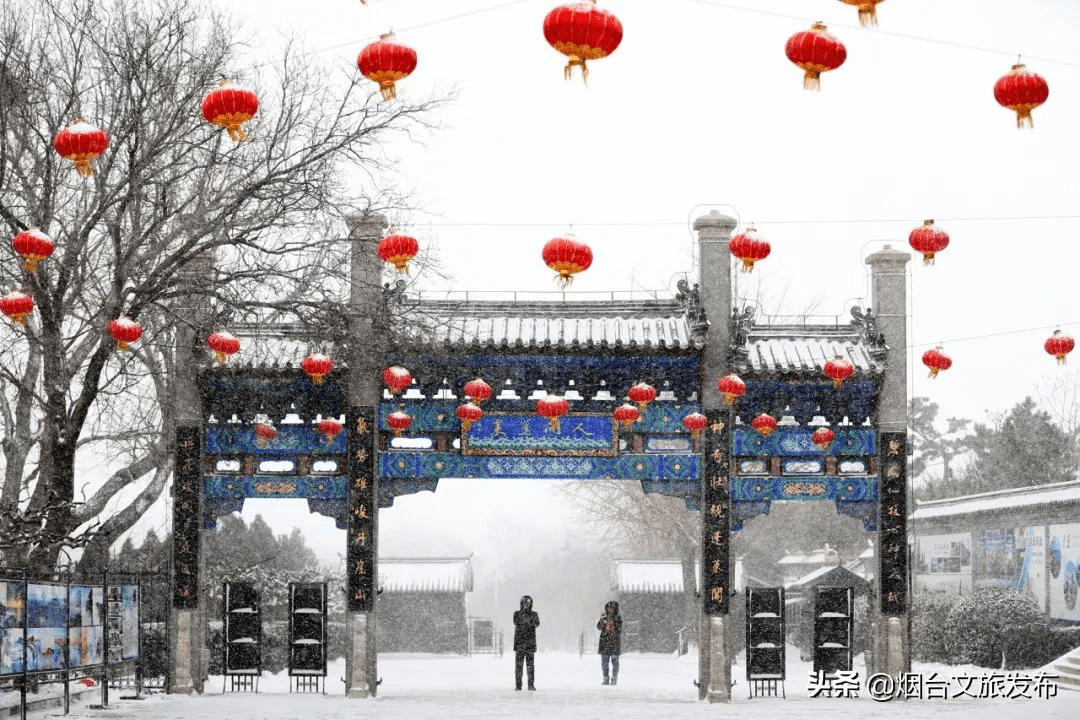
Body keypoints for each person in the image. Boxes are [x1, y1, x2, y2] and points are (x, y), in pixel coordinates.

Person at [512, 595, 539, 691]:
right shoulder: (517, 614)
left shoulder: (534, 614)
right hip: (520, 644)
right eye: (524, 603)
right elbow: (516, 622)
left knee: (530, 666)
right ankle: (518, 685)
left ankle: (530, 685)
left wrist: (526, 623)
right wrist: (528, 623)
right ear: (521, 604)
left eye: (528, 603)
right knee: (519, 666)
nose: (526, 605)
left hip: (530, 645)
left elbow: (537, 623)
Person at [597, 600, 622, 685]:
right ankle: (605, 678)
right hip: (604, 643)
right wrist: (602, 622)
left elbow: (619, 630)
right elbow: (599, 627)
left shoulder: (618, 618)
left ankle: (614, 678)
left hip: (614, 643)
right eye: (608, 608)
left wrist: (613, 628)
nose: (610, 610)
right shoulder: (604, 617)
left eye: (612, 608)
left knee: (615, 661)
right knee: (604, 662)